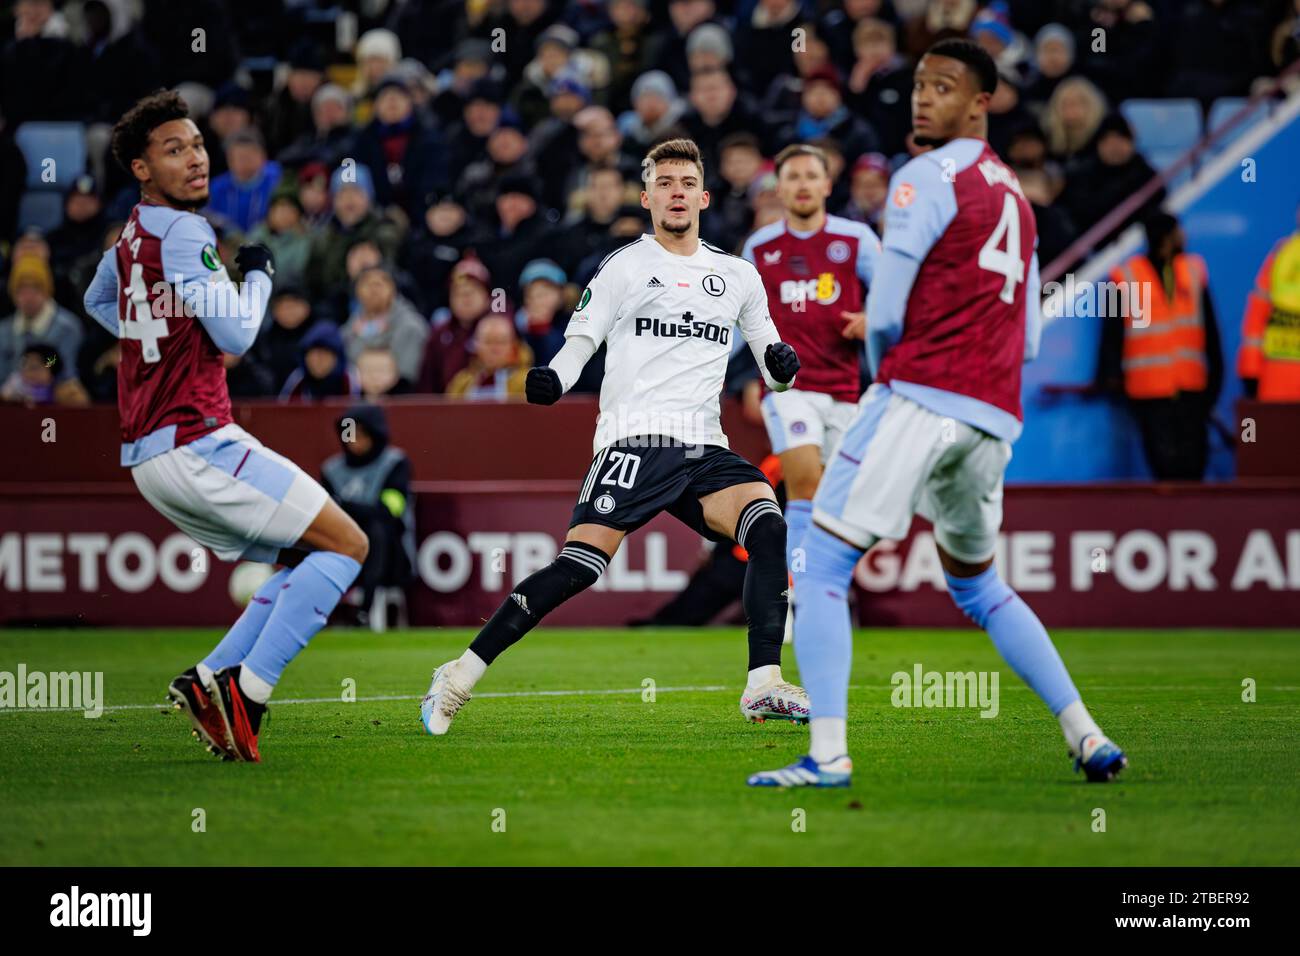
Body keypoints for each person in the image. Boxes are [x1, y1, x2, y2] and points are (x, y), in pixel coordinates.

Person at [750, 39, 1126, 788]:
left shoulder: (923, 176)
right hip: (992, 414)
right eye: (919, 84)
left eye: (944, 87)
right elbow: (1031, 333)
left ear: (981, 101)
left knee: (822, 561)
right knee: (981, 586)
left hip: (919, 395)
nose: (923, 98)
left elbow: (885, 310)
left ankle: (827, 756)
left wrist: (893, 363)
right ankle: (1086, 734)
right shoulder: (1015, 196)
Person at [418, 137, 808, 736]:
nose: (676, 193)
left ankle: (763, 683)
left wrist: (782, 368)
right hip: (635, 441)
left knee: (769, 526)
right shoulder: (625, 265)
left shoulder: (738, 276)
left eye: (686, 184)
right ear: (648, 196)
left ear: (703, 197)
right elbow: (582, 340)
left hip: (705, 445)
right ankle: (460, 674)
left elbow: (774, 369)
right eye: (665, 183)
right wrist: (554, 377)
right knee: (579, 567)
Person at [82, 91, 368, 764]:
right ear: (141, 169)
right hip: (197, 436)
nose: (195, 158)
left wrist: (155, 344)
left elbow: (98, 301)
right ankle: (251, 692)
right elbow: (238, 330)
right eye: (173, 149)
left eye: (198, 144)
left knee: (305, 554)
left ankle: (210, 677)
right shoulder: (183, 232)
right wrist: (260, 276)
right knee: (348, 545)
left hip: (150, 456)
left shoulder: (130, 237)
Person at [742, 143, 880, 641]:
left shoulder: (856, 240)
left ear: (826, 185)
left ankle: (821, 589)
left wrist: (872, 321)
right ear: (779, 188)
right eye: (792, 176)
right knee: (803, 485)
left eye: (810, 176)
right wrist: (742, 381)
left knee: (834, 504)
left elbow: (891, 302)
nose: (801, 184)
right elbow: (741, 321)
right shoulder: (759, 249)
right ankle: (795, 600)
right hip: (787, 388)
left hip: (846, 392)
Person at [1101, 212, 1223, 479]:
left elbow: (1210, 328)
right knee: (1163, 469)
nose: (1184, 237)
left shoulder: (1193, 270)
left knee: (1194, 466)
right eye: (1178, 231)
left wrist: (1216, 377)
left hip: (1191, 388)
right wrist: (1111, 378)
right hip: (1149, 391)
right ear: (1166, 237)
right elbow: (1112, 333)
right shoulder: (1126, 276)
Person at [320, 404, 415, 623]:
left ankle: (365, 609)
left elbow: (389, 512)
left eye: (361, 435)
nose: (354, 441)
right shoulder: (331, 470)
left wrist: (344, 505)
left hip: (392, 556)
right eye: (349, 435)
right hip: (340, 549)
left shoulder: (396, 464)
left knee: (376, 530)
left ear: (376, 434)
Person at [1238, 203, 1300, 401]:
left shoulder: (1281, 254)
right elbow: (1257, 316)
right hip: (1276, 380)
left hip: (1276, 378)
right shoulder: (1281, 254)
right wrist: (1250, 371)